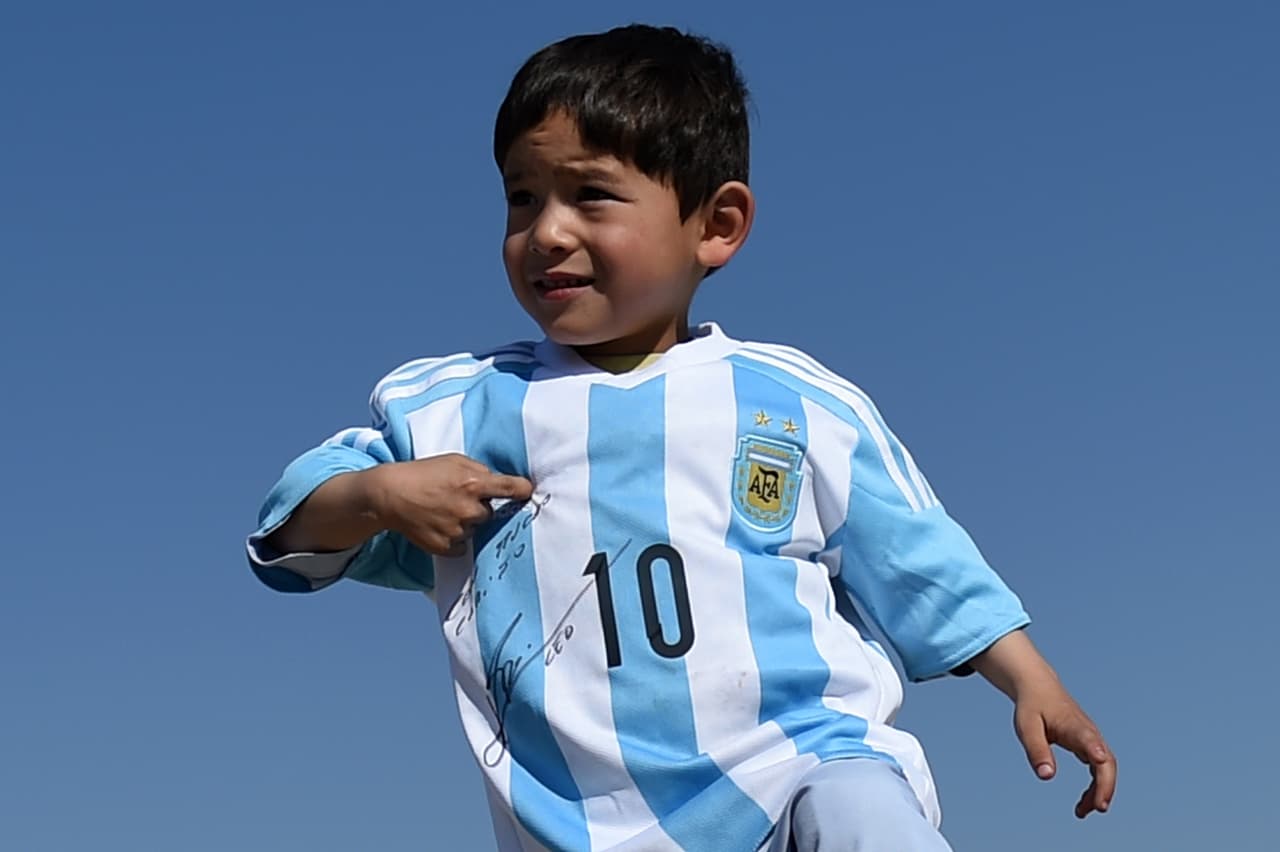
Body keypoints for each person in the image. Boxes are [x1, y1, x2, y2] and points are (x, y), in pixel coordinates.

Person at [245, 24, 1116, 852]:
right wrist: (374, 496)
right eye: (521, 197)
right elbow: (289, 530)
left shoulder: (793, 403)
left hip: (800, 773)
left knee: (858, 806)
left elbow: (921, 559)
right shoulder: (452, 411)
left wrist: (1029, 677)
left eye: (590, 194)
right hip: (583, 822)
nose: (547, 230)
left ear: (717, 225)